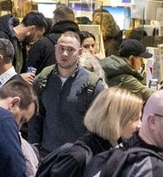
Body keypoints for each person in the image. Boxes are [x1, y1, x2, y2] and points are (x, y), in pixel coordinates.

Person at [28, 30, 106, 158]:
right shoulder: (42, 80)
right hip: (46, 156)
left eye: (70, 50)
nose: (64, 53)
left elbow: (100, 126)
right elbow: (35, 118)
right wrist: (34, 148)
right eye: (61, 48)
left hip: (77, 159)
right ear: (55, 49)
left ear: (80, 52)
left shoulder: (93, 85)